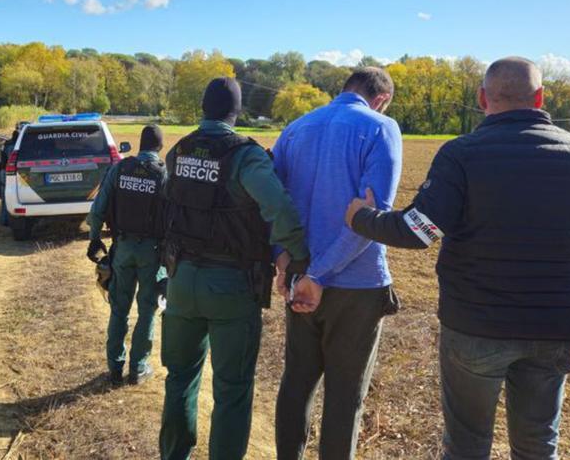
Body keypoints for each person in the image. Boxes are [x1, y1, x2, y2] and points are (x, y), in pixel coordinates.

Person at [345, 57, 570, 460]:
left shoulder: (463, 154)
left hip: (477, 325)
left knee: (467, 446)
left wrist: (361, 218)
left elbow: (420, 231)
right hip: (557, 328)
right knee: (539, 444)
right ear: (541, 97)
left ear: (482, 98)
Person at [159, 77, 309, 460]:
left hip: (181, 281)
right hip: (230, 285)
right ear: (236, 112)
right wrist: (298, 257)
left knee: (179, 379)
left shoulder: (179, 151)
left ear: (203, 108)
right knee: (232, 389)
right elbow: (281, 210)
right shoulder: (245, 155)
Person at [271, 67, 403, 460]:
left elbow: (272, 200)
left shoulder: (295, 128)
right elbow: (372, 216)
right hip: (356, 287)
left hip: (299, 277)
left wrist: (282, 257)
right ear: (381, 99)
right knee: (345, 396)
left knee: (296, 382)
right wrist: (321, 274)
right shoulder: (381, 127)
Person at [86, 125, 167, 386]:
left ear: (140, 145)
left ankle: (114, 368)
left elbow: (98, 207)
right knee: (147, 311)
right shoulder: (164, 175)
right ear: (159, 148)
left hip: (122, 248)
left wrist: (94, 238)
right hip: (152, 253)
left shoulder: (120, 169)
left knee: (119, 309)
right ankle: (138, 369)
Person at [0, 127, 21, 227]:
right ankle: (12, 221)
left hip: (4, 172)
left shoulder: (6, 145)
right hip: (14, 173)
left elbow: (2, 160)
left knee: (5, 199)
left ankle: (4, 221)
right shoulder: (18, 146)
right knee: (14, 198)